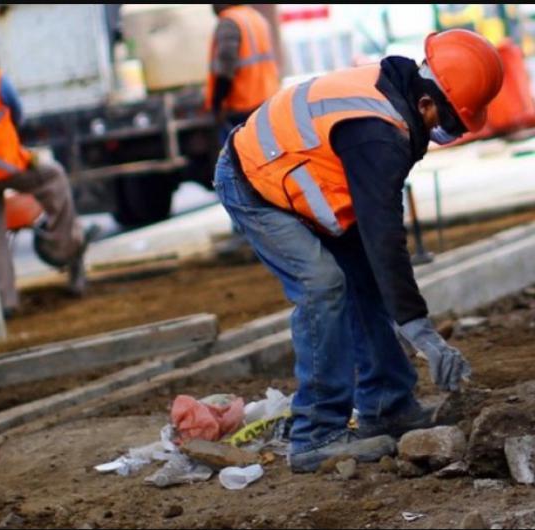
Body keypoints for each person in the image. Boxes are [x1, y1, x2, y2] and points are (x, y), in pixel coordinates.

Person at [212, 29, 503, 473]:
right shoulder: (379, 134)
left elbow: (378, 243)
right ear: (427, 104)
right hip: (255, 182)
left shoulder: (394, 98)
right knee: (323, 285)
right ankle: (316, 433)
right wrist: (422, 332)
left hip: (303, 180)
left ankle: (388, 406)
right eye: (447, 124)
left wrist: (409, 317)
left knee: (363, 279)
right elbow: (385, 235)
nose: (441, 135)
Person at [0, 22, 98, 318]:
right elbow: (17, 116)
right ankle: (65, 245)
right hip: (10, 167)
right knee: (54, 177)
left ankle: (6, 301)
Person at [205, 4, 281, 146]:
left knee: (236, 160)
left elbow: (226, 66)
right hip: (266, 101)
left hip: (242, 106)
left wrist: (217, 103)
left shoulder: (230, 21)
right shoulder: (254, 17)